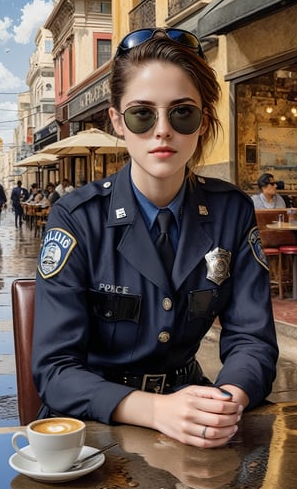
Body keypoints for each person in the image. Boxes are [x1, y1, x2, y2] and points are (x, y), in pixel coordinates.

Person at [32, 27, 278, 449]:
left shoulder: (230, 211)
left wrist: (228, 399)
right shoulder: (77, 218)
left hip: (192, 412)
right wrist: (156, 410)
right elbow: (55, 370)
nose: (162, 130)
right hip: (95, 425)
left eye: (182, 113)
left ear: (204, 120)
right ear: (117, 122)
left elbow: (252, 339)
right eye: (142, 115)